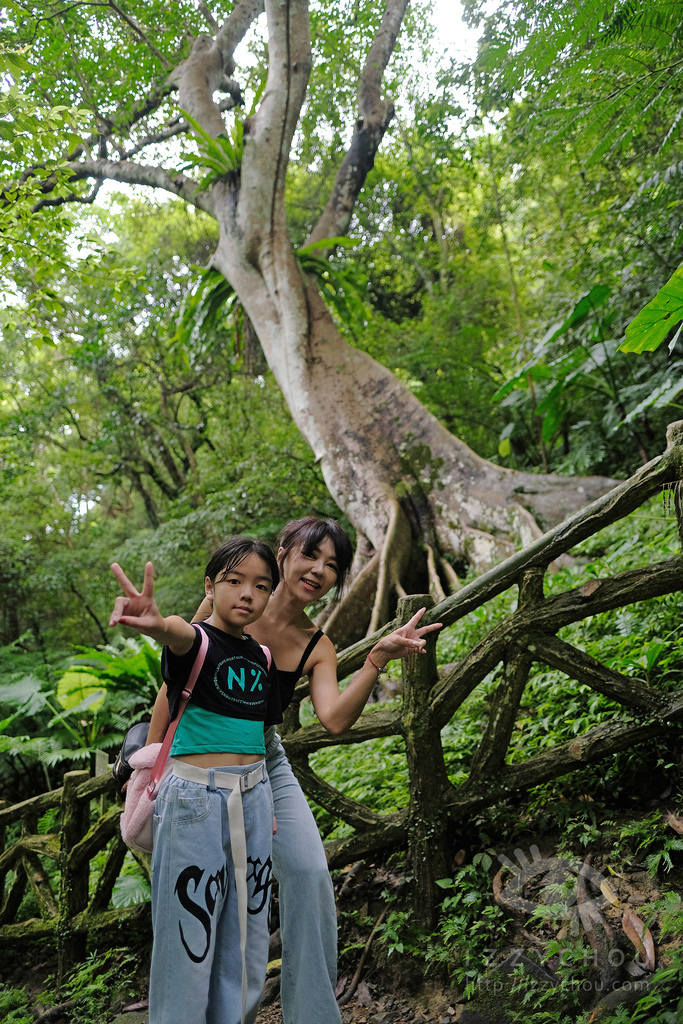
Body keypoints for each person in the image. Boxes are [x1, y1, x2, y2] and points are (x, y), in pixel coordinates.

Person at [148, 516, 442, 1024]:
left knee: (308, 872)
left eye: (333, 565)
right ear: (283, 552)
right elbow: (177, 687)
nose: (319, 570)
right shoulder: (231, 599)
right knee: (204, 897)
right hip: (199, 758)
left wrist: (375, 658)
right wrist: (151, 760)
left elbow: (333, 720)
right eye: (310, 555)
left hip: (265, 759)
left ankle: (313, 1015)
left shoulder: (316, 643)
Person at [109, 537, 281, 1024]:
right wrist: (156, 622)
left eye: (260, 586)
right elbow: (176, 633)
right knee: (189, 929)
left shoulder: (263, 659)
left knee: (248, 932)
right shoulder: (197, 642)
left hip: (252, 798)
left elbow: (259, 734)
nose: (246, 593)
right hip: (194, 801)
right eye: (233, 581)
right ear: (210, 586)